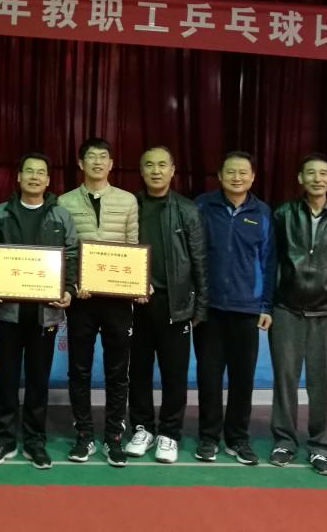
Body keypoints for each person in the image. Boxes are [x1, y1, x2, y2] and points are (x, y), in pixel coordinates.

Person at [0, 152, 78, 470]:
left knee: (38, 380)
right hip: (8, 312)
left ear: (48, 180)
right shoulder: (1, 213)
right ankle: (3, 439)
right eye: (29, 171)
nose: (35, 177)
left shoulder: (61, 216)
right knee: (7, 378)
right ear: (19, 177)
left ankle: (35, 441)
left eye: (41, 172)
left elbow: (72, 255)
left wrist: (68, 289)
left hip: (45, 313)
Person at [268, 153, 327, 476]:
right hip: (287, 309)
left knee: (323, 383)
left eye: (323, 173)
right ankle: (284, 441)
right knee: (285, 379)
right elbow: (272, 261)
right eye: (311, 173)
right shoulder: (283, 214)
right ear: (300, 179)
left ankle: (321, 447)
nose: (317, 179)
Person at [58, 137, 140, 467]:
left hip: (118, 302)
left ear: (111, 164)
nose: (97, 162)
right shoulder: (64, 201)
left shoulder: (128, 200)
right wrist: (72, 284)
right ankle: (84, 436)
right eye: (91, 157)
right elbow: (64, 250)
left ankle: (113, 438)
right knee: (79, 370)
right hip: (82, 300)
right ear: (81, 164)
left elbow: (133, 247)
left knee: (118, 372)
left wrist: (134, 283)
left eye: (103, 157)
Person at [125, 146, 207, 464]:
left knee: (174, 374)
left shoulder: (187, 209)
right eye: (149, 165)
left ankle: (170, 434)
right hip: (137, 304)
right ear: (141, 171)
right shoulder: (131, 205)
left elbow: (199, 261)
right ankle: (142, 428)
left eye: (162, 165)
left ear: (173, 170)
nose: (156, 171)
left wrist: (200, 307)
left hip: (175, 306)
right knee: (139, 372)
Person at [193, 151, 275, 466]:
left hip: (246, 309)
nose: (237, 177)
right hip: (209, 308)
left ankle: (237, 438)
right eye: (231, 171)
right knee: (209, 377)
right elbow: (191, 255)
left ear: (252, 177)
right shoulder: (202, 207)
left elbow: (268, 263)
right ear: (220, 175)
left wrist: (265, 305)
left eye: (243, 172)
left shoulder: (263, 213)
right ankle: (208, 437)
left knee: (243, 379)